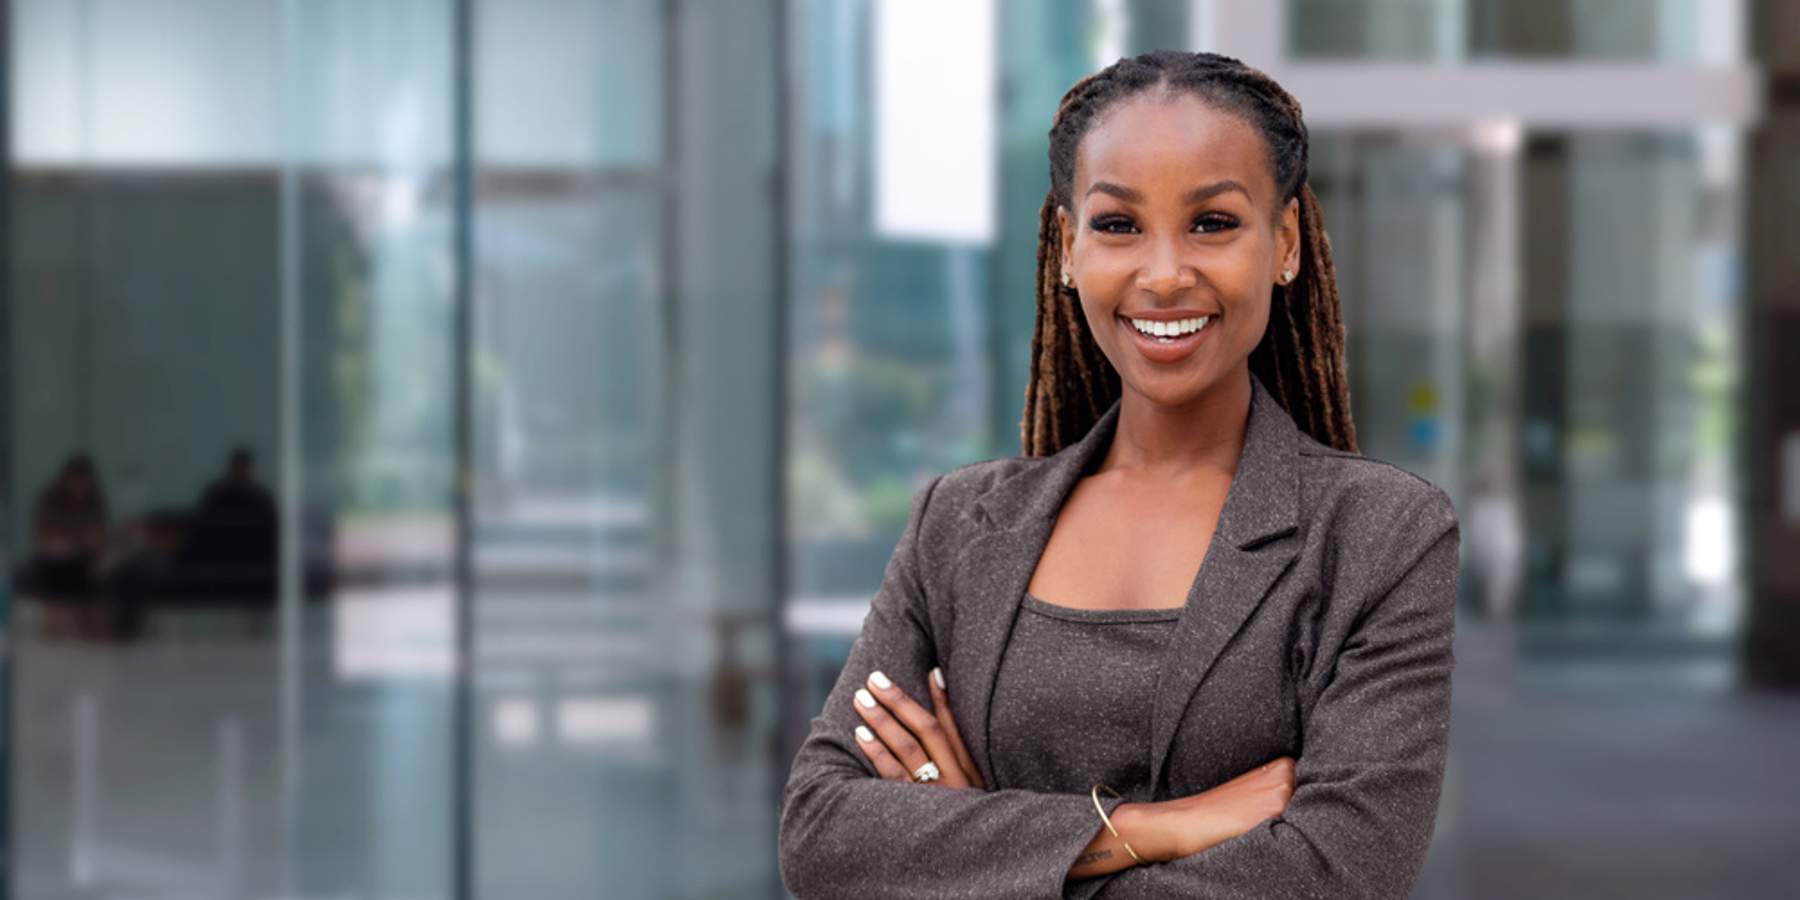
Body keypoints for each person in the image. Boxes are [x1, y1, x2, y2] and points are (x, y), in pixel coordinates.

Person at [777, 50, 1461, 899]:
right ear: (1068, 249)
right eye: (1118, 225)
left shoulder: (1381, 535)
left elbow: (1336, 874)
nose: (1164, 274)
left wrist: (975, 847)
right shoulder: (957, 524)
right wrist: (1148, 828)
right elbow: (821, 833)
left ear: (1284, 243)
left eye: (1213, 222)